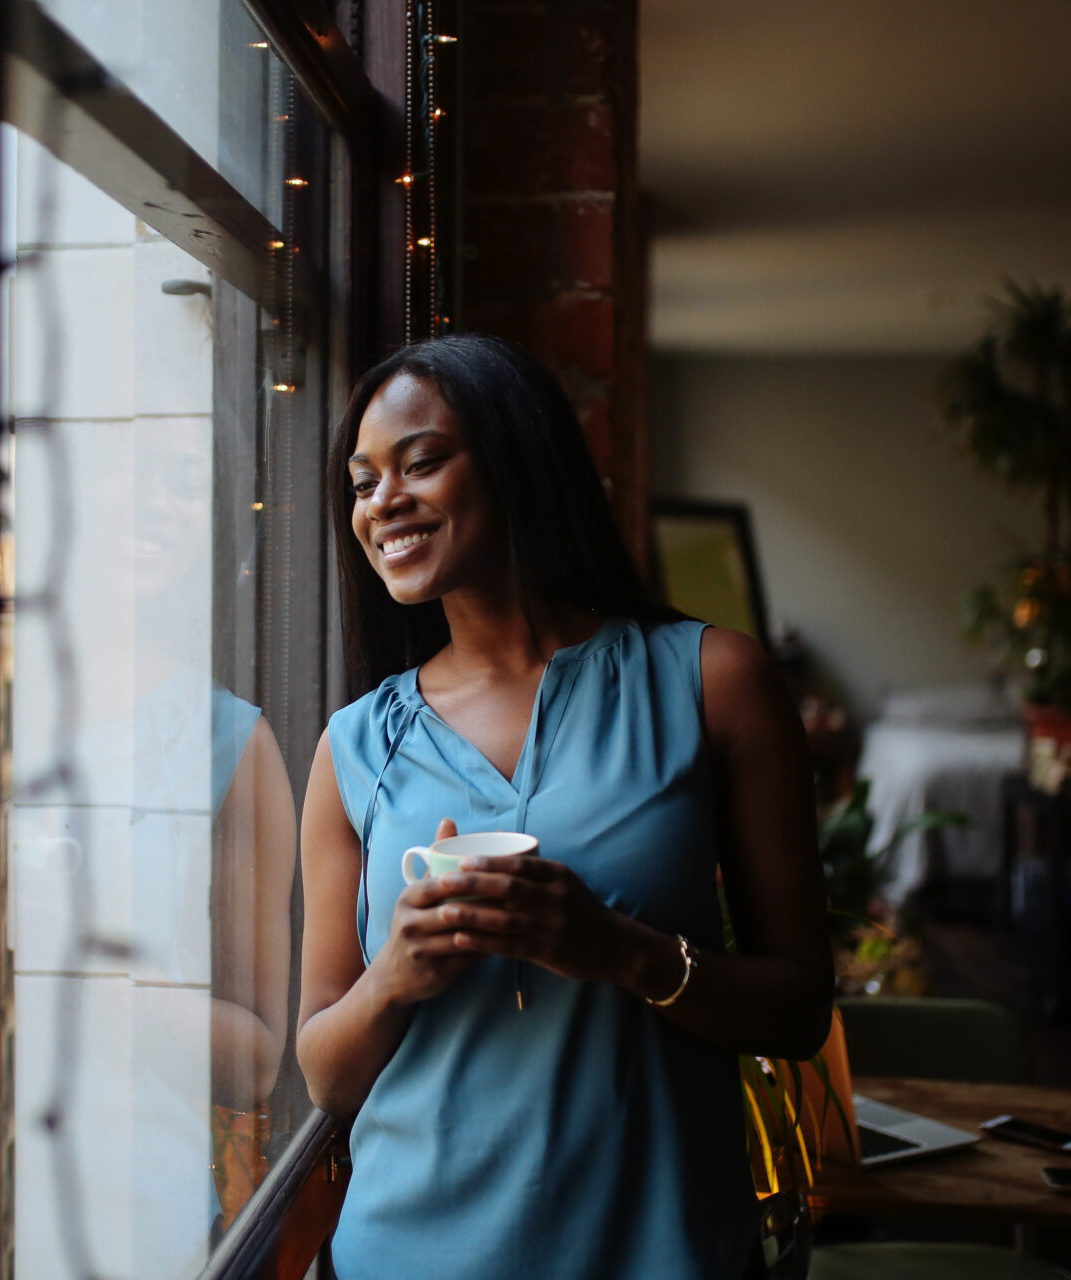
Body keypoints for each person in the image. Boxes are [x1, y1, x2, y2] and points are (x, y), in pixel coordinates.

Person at [295, 334, 834, 1279]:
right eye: (362, 481)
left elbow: (797, 1009)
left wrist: (619, 950)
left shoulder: (713, 682)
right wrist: (397, 975)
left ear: (515, 460)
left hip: (660, 1252)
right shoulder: (354, 747)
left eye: (420, 462)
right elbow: (324, 1073)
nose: (383, 502)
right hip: (402, 1255)